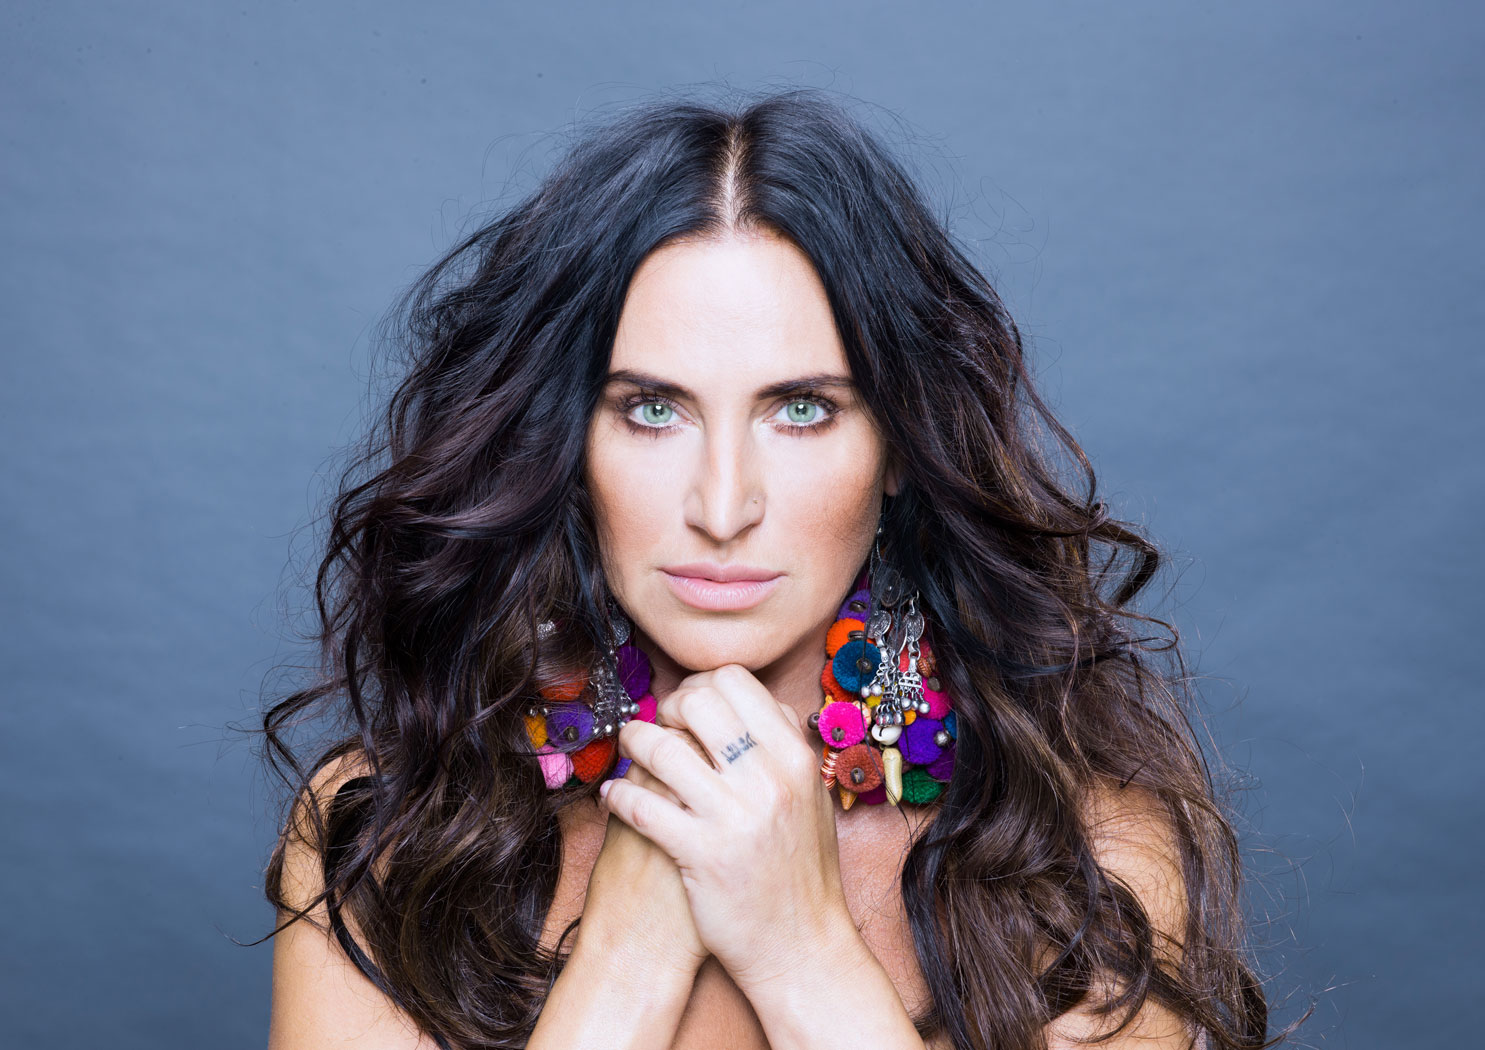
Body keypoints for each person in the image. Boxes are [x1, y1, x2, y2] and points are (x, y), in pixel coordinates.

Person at [257, 90, 1272, 1050]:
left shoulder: (1087, 849)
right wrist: (625, 957)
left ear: (897, 451)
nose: (722, 505)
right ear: (566, 447)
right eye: (653, 409)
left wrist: (801, 950)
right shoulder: (386, 834)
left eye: (801, 409)